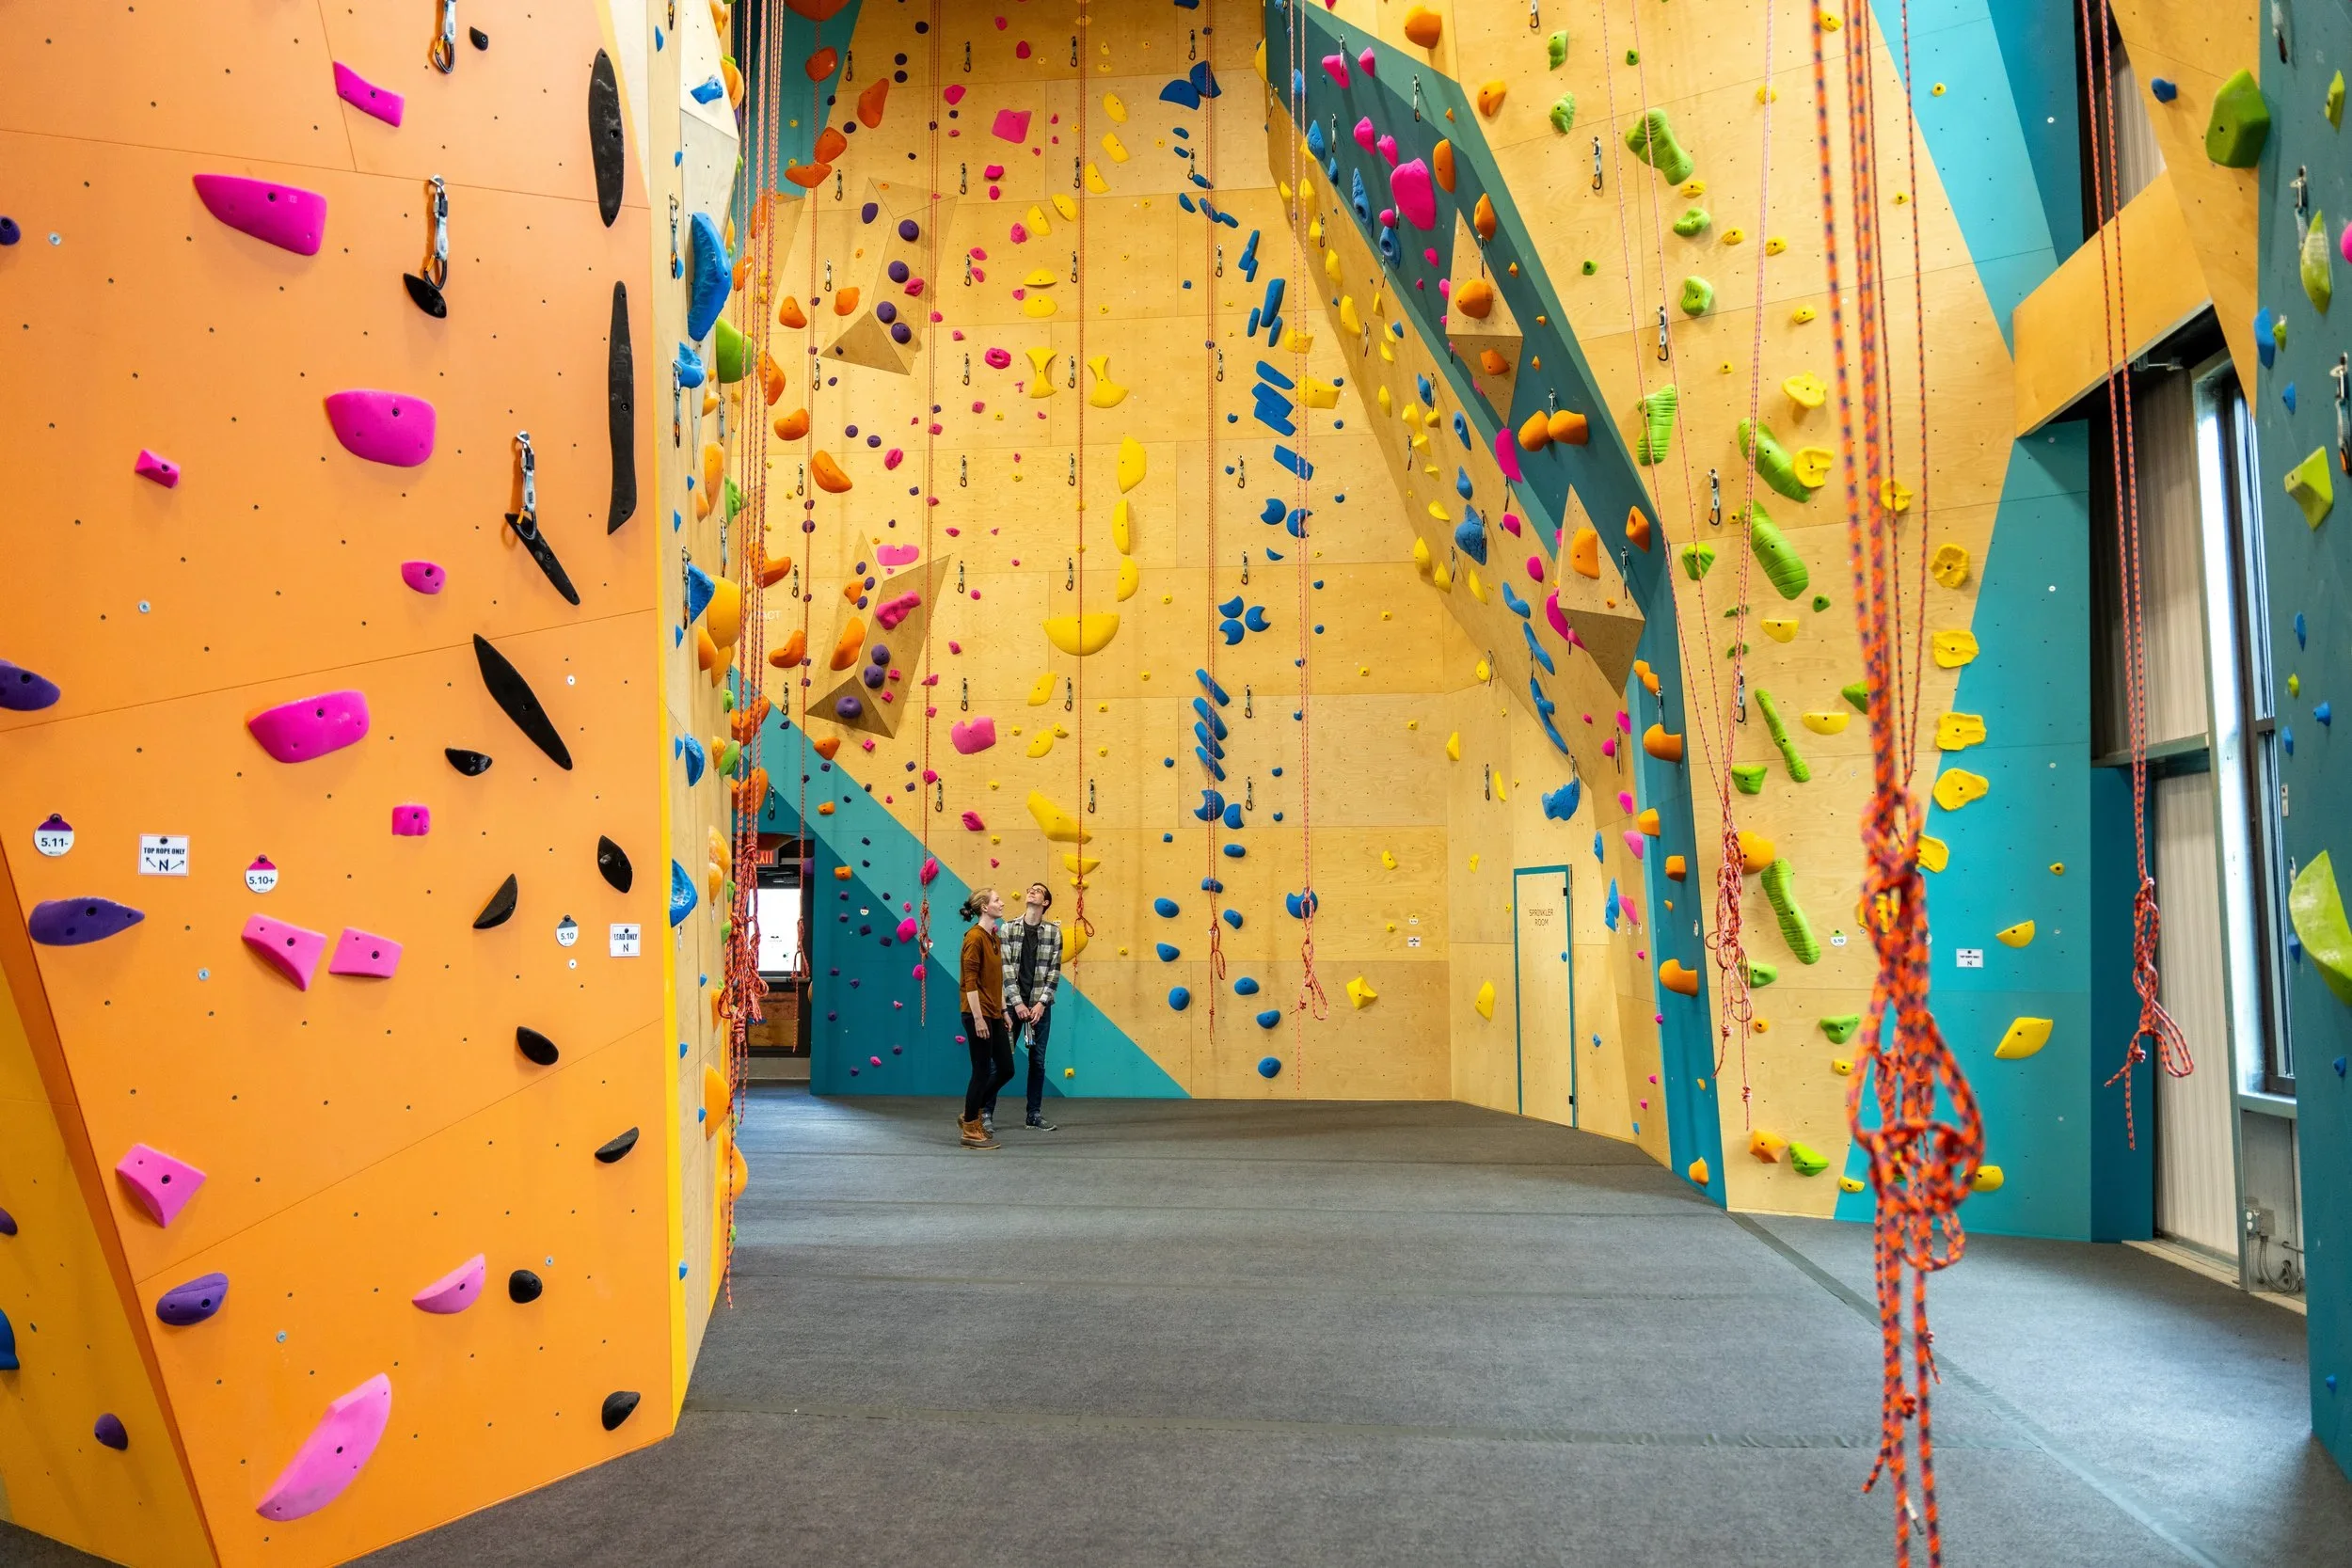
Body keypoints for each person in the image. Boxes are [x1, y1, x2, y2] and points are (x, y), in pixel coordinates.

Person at [991, 880, 1065, 1132]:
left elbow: (1055, 973)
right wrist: (1018, 1003)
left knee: (1038, 1061)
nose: (1031, 892)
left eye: (1038, 891)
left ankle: (1033, 1114)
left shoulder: (1054, 933)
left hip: (1039, 1009)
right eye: (1030, 889)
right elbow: (1006, 969)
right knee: (999, 1061)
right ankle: (986, 1113)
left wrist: (1041, 1004)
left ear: (1045, 903)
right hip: (1013, 1006)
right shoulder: (1008, 928)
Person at [958, 888, 1012, 1149]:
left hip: (992, 1012)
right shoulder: (974, 938)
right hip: (976, 1013)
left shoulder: (993, 938)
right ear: (984, 907)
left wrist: (1003, 1011)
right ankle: (970, 1127)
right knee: (980, 1070)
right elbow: (970, 983)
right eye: (996, 900)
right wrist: (978, 1019)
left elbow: (996, 980)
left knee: (1006, 1069)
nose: (1001, 903)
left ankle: (971, 1113)